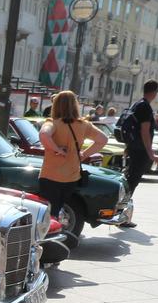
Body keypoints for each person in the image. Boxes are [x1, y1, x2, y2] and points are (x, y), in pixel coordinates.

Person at [36, 89, 106, 224]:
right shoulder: (84, 125)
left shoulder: (52, 123)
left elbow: (44, 135)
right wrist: (84, 154)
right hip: (71, 177)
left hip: (50, 176)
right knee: (59, 209)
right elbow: (103, 140)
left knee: (48, 213)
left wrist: (57, 149)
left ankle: (48, 238)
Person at [122, 81, 158, 227]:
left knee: (129, 179)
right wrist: (151, 153)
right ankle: (123, 214)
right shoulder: (145, 107)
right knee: (132, 181)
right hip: (139, 150)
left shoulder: (137, 104)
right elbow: (144, 131)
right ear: (154, 92)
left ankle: (122, 213)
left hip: (133, 147)